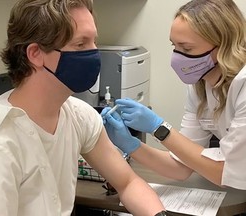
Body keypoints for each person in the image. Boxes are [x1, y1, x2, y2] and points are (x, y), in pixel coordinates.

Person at [0, 0, 169, 215]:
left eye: (93, 42)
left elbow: (128, 183)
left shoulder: (77, 115)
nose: (94, 54)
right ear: (35, 54)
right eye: (81, 44)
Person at [102, 0, 246, 191]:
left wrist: (159, 128)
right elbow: (181, 167)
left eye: (186, 49)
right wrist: (130, 144)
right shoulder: (200, 85)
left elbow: (227, 172)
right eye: (175, 47)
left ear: (223, 45)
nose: (177, 58)